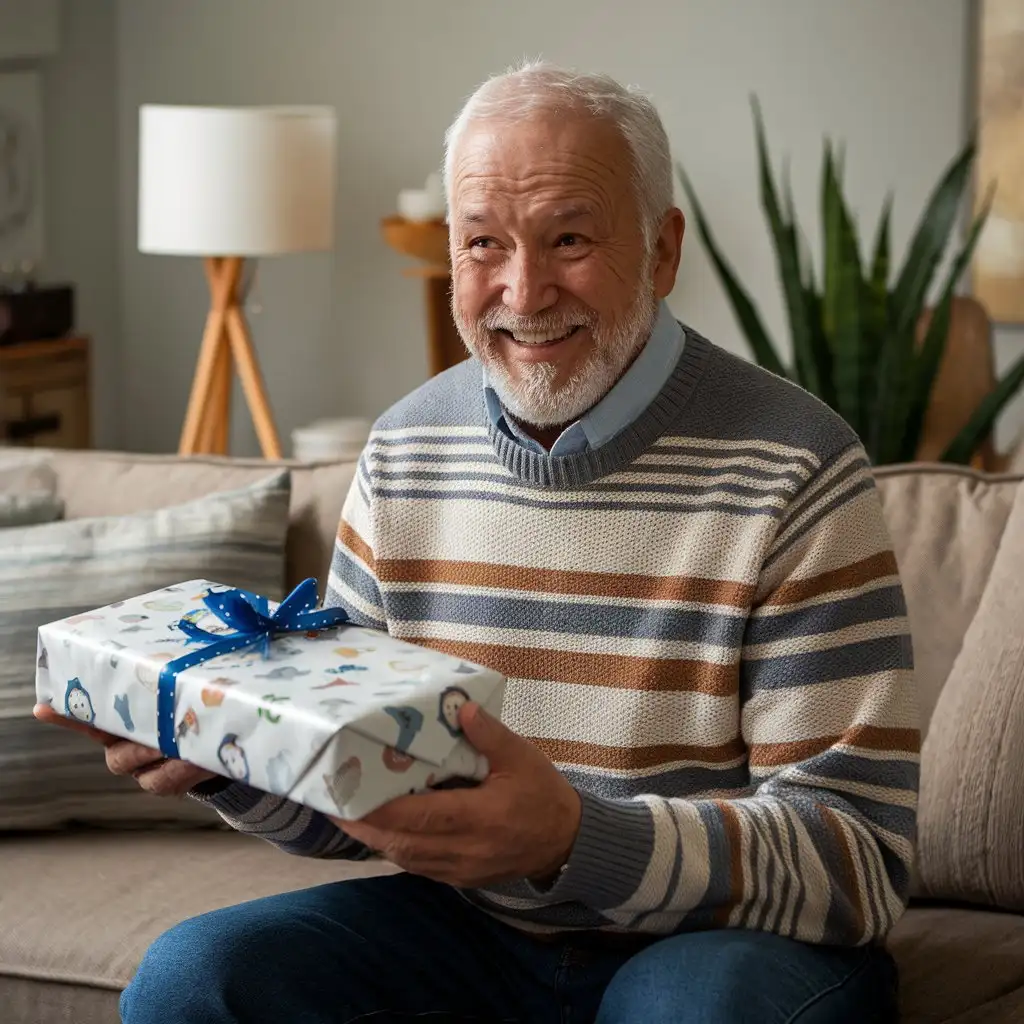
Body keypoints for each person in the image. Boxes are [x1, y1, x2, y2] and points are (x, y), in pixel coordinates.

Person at [37, 61, 917, 1023]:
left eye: (570, 239)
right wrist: (223, 758)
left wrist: (576, 839)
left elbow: (858, 859)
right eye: (483, 244)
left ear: (663, 253)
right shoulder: (406, 451)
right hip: (470, 934)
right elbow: (356, 788)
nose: (523, 289)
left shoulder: (797, 466)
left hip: (719, 948)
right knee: (194, 981)